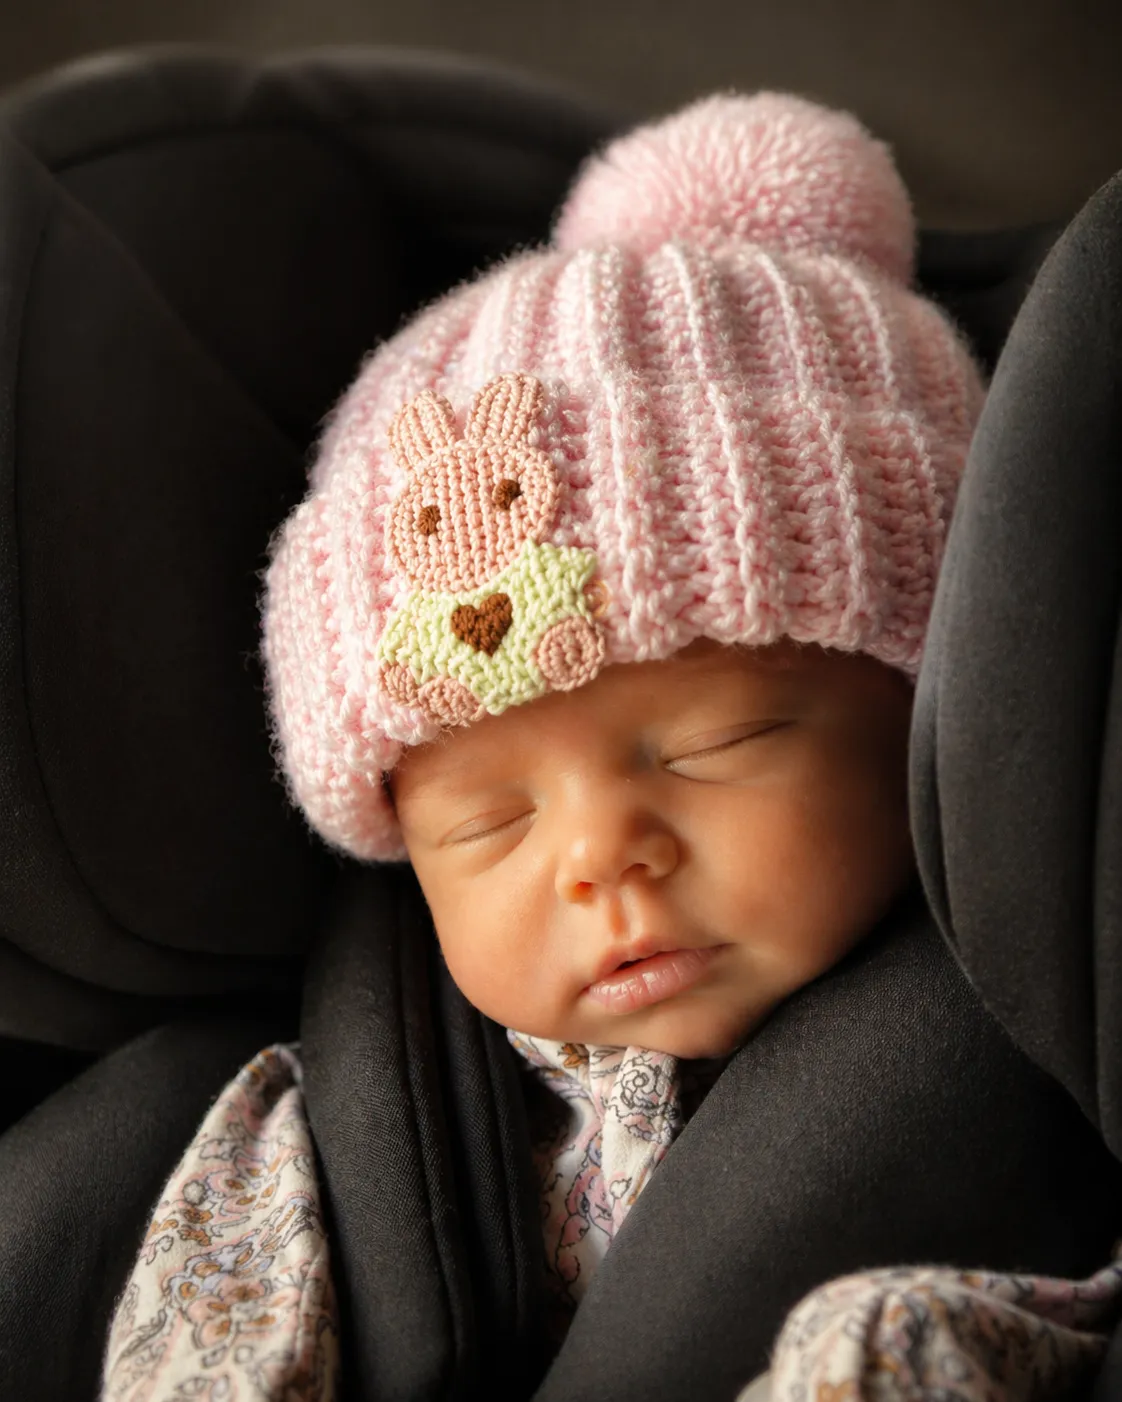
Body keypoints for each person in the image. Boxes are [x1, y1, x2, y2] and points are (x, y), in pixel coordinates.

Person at [98, 92, 1122, 1402]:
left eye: (714, 742)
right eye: (487, 822)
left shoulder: (1056, 1031)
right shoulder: (321, 1143)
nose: (597, 854)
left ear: (923, 706)